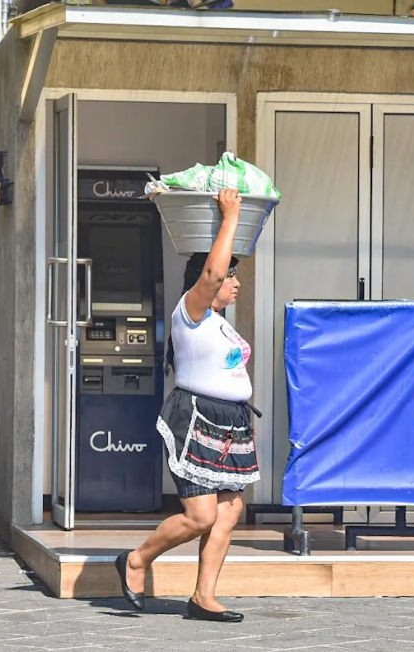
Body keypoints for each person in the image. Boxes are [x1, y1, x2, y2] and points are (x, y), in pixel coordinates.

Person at [115, 188, 257, 622]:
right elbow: (212, 272)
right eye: (231, 276)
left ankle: (203, 597)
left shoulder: (220, 325)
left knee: (229, 511)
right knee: (200, 516)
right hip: (196, 418)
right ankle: (136, 560)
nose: (235, 282)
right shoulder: (189, 312)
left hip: (232, 423)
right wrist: (230, 217)